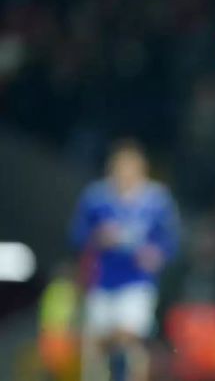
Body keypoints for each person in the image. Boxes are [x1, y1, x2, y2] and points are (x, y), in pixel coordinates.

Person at [70, 139, 180, 381]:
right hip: (102, 280)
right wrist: (98, 237)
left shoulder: (157, 200)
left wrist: (156, 255)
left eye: (131, 167)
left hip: (137, 282)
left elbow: (171, 242)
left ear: (142, 169)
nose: (125, 173)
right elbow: (77, 235)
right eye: (121, 167)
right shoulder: (96, 197)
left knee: (129, 338)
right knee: (96, 344)